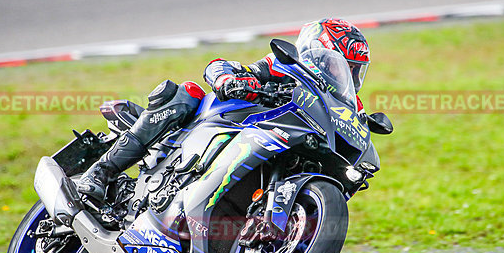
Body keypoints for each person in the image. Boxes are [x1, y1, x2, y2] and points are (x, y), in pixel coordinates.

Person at [76, 18, 370, 202]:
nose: (348, 75)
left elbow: (356, 130)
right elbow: (219, 65)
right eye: (340, 64)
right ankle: (99, 173)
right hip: (229, 123)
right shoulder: (284, 66)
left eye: (355, 71)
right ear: (316, 53)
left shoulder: (345, 107)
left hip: (281, 143)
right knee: (188, 93)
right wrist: (230, 80)